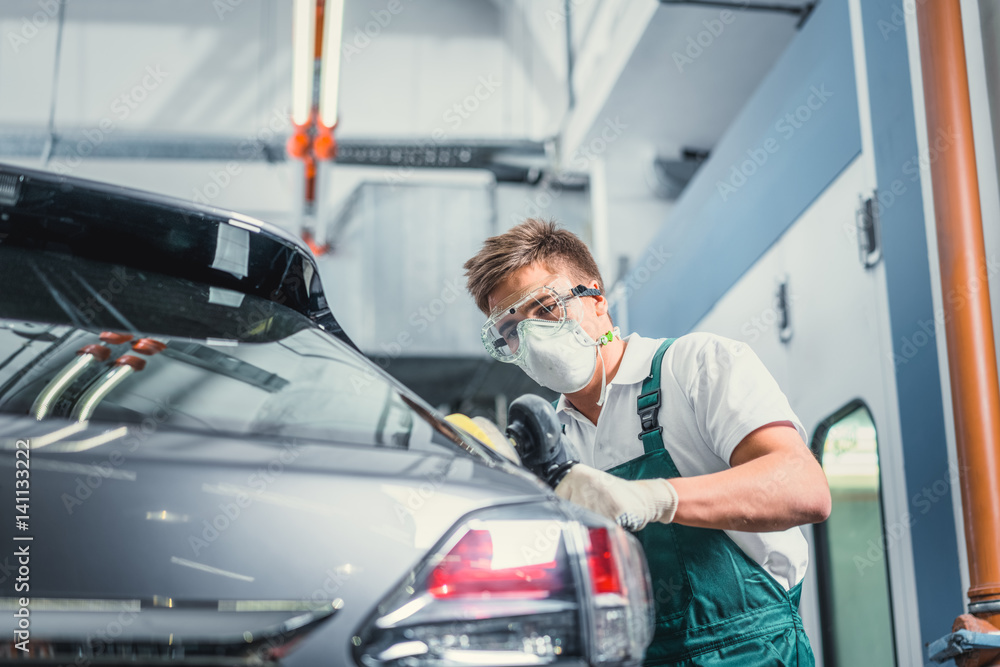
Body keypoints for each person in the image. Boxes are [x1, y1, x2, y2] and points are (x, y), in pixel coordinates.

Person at [463, 219, 830, 666]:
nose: (531, 338)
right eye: (511, 331)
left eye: (545, 309)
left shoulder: (695, 367)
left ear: (596, 300)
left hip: (752, 651)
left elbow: (803, 488)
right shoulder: (545, 446)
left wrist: (652, 497)